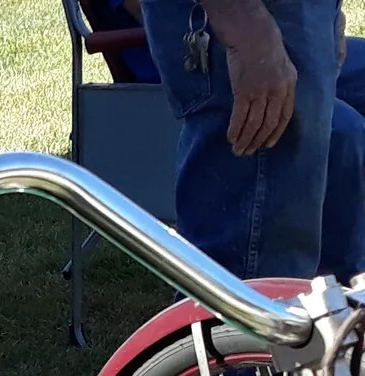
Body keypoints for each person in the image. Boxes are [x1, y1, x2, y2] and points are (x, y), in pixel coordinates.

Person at [140, 0, 365, 282]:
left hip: (285, 20)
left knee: (288, 278)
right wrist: (242, 19)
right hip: (252, 21)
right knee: (254, 276)